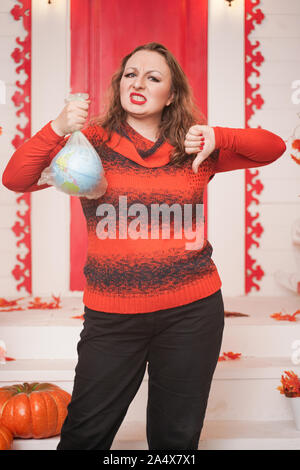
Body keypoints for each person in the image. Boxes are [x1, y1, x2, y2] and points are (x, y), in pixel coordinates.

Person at [2, 42, 286, 450]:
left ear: (171, 95)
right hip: (112, 317)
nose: (139, 82)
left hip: (193, 314)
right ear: (119, 85)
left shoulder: (195, 145)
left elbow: (272, 148)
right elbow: (16, 179)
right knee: (84, 435)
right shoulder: (90, 142)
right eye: (130, 74)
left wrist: (217, 135)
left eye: (153, 77)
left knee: (175, 441)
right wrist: (58, 128)